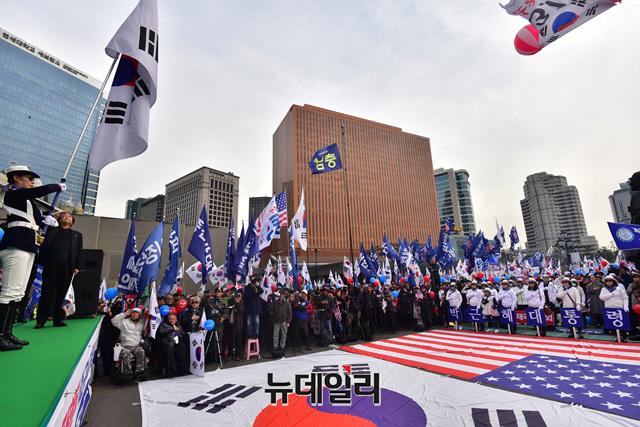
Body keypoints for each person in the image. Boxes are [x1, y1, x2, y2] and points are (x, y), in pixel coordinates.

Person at [0, 165, 64, 350]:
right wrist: (56, 186)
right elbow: (39, 191)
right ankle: (0, 335)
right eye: (29, 178)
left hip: (28, 246)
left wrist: (46, 219)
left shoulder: (28, 202)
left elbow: (32, 219)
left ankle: (7, 332)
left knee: (19, 293)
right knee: (10, 291)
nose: (32, 182)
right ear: (16, 178)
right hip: (16, 245)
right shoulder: (13, 193)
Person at [34, 212, 83, 329]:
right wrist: (54, 215)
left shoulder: (77, 235)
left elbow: (79, 251)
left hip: (67, 266)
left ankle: (58, 319)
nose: (67, 217)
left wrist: (77, 266)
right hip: (51, 264)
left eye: (70, 216)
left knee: (62, 293)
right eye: (64, 216)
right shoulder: (51, 231)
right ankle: (41, 320)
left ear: (72, 222)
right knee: (47, 292)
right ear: (59, 220)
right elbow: (43, 220)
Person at [110, 307, 147, 382]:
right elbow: (113, 321)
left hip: (136, 345)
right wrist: (124, 314)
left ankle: (140, 371)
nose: (134, 314)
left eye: (136, 313)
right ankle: (127, 373)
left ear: (139, 315)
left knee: (141, 352)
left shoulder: (142, 323)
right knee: (125, 354)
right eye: (133, 313)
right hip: (125, 346)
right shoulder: (124, 322)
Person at [599, 275, 630, 342]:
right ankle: (617, 336)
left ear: (613, 281)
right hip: (609, 308)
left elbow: (625, 298)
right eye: (606, 281)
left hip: (619, 307)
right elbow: (601, 297)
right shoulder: (604, 289)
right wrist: (611, 295)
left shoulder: (619, 289)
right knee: (613, 324)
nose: (608, 282)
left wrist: (625, 305)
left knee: (622, 323)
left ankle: (624, 337)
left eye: (610, 281)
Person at [228, 292, 245, 361]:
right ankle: (230, 355)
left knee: (238, 341)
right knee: (230, 341)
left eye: (239, 296)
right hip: (231, 324)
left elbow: (241, 311)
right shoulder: (231, 303)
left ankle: (238, 355)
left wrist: (237, 303)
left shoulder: (241, 304)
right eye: (236, 296)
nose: (237, 297)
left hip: (238, 325)